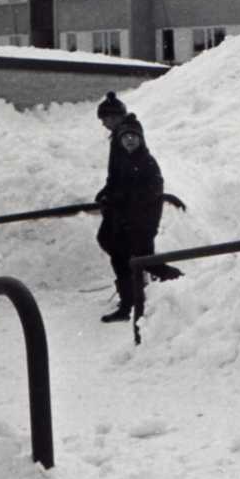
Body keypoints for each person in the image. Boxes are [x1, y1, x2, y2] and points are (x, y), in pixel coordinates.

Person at [95, 107, 165, 323]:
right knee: (120, 259)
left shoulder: (147, 164)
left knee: (147, 263)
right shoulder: (124, 161)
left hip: (140, 226)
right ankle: (127, 305)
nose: (130, 141)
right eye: (125, 137)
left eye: (134, 136)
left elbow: (148, 198)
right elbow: (116, 184)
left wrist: (138, 221)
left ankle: (184, 284)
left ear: (141, 139)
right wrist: (107, 195)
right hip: (123, 224)